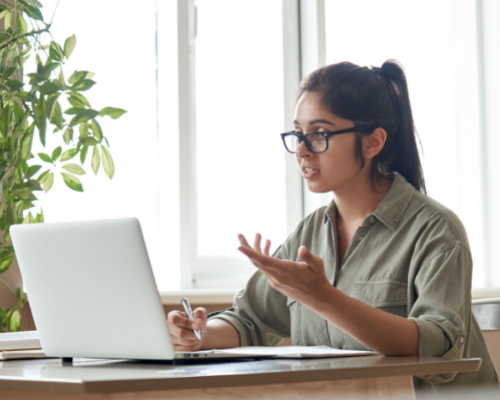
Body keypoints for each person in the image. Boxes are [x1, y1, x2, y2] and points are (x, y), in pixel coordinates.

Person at [167, 60, 499, 394]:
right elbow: (250, 319)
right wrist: (200, 333)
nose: (301, 150)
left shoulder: (436, 231)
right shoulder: (309, 234)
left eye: (319, 135)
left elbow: (440, 350)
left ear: (373, 141)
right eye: (298, 134)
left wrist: (324, 297)